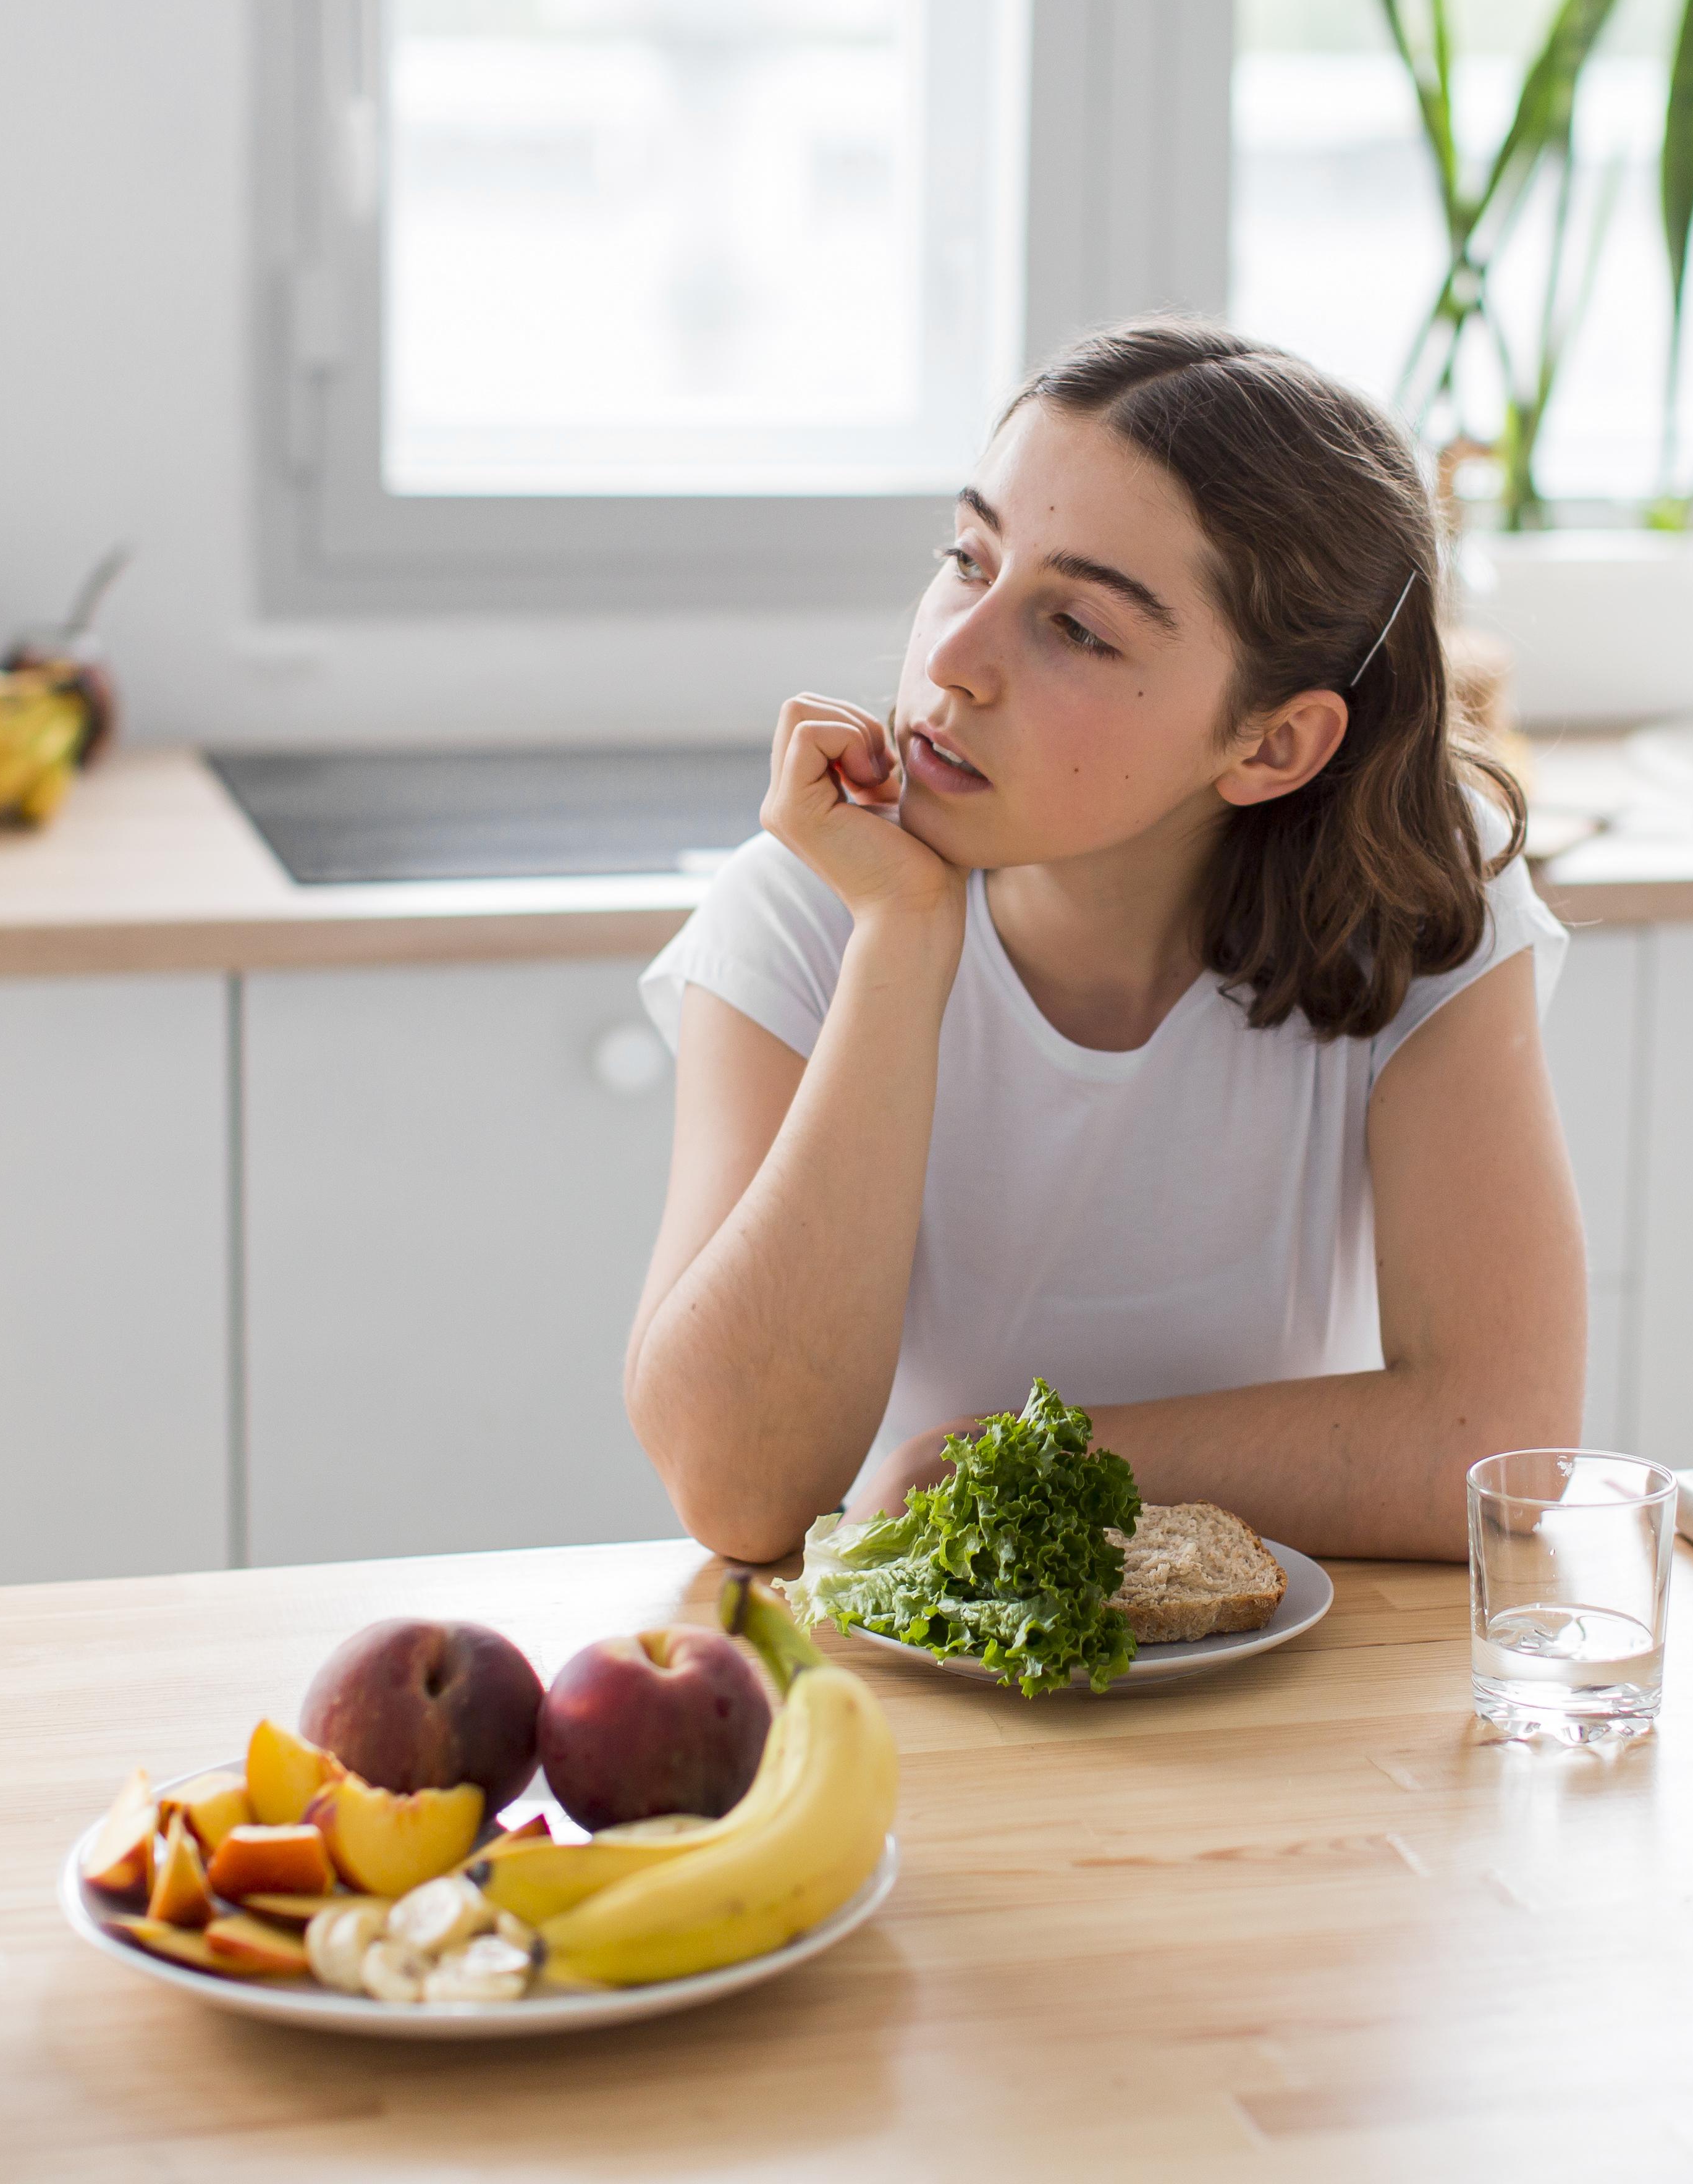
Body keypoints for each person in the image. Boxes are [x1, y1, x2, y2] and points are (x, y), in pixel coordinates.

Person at [626, 320, 1586, 1565]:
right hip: (912, 1696)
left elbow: (1496, 1444)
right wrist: (904, 942)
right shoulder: (814, 901)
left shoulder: (1407, 902)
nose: (952, 662)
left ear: (1273, 744)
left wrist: (1019, 1465)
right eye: (967, 558)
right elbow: (740, 1492)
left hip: (1278, 1687)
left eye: (1076, 627)